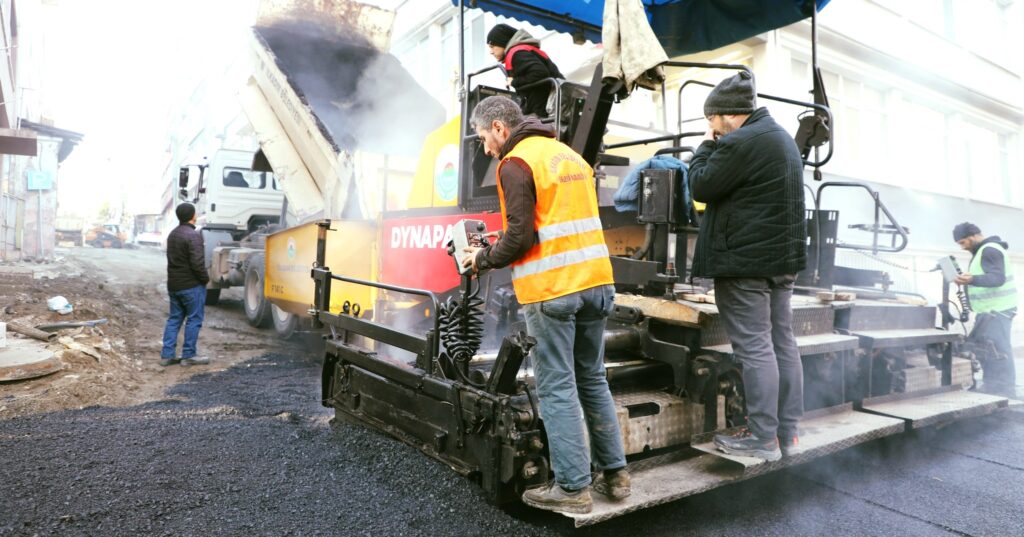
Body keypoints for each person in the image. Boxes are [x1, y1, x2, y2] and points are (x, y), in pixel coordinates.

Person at [461, 96, 629, 514]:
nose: (486, 149)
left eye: (484, 138)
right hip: (598, 282)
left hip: (554, 288)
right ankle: (616, 475)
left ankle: (572, 489)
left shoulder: (516, 163)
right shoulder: (567, 155)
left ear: (500, 127)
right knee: (592, 378)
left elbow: (520, 239)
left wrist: (480, 259)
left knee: (557, 385)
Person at [688, 71, 807, 461]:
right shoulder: (781, 138)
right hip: (780, 262)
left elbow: (701, 186)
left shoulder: (741, 141)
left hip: (746, 263)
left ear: (726, 114)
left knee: (756, 348)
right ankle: (786, 433)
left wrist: (704, 147)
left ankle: (762, 438)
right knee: (781, 343)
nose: (710, 127)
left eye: (711, 120)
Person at [953, 222, 1018, 396]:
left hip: (998, 309)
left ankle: (1004, 390)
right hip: (992, 310)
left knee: (998, 350)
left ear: (973, 236)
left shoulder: (989, 250)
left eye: (963, 242)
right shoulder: (984, 250)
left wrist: (971, 279)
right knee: (988, 348)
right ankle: (993, 385)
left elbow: (997, 278)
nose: (962, 247)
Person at [160, 202, 211, 367]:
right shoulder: (193, 235)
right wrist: (205, 279)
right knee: (194, 319)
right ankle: (189, 355)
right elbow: (197, 263)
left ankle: (167, 355)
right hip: (191, 285)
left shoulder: (173, 234)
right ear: (192, 216)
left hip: (174, 285)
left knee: (174, 319)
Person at [486, 23, 564, 118]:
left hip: (544, 111)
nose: (491, 52)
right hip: (550, 106)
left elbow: (540, 72)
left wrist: (514, 81)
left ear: (502, 42)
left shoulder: (517, 54)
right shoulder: (525, 50)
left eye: (492, 46)